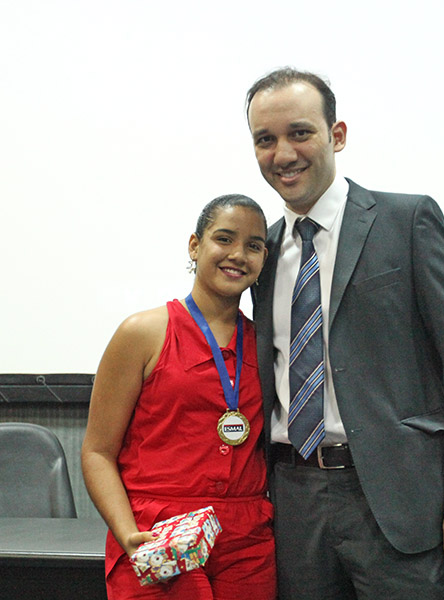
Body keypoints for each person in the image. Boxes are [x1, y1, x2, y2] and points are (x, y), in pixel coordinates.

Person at [245, 68, 444, 599]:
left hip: (395, 498)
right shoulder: (262, 252)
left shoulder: (406, 220)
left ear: (337, 135)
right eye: (265, 140)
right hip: (294, 499)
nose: (283, 153)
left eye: (299, 132)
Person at [81, 194, 277, 600]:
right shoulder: (142, 333)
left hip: (247, 540)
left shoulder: (266, 345)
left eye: (254, 246)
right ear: (194, 245)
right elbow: (98, 451)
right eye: (224, 239)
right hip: (157, 533)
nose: (238, 255)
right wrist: (127, 533)